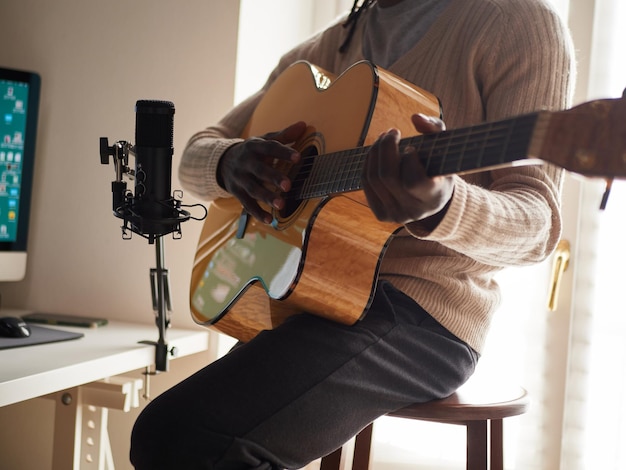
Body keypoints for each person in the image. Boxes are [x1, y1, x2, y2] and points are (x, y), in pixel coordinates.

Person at [130, 0, 574, 468]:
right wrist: (230, 162)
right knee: (174, 435)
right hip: (312, 299)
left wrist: (445, 205)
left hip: (422, 315)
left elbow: (537, 222)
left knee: (177, 437)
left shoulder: (518, 23)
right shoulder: (327, 48)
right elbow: (195, 152)